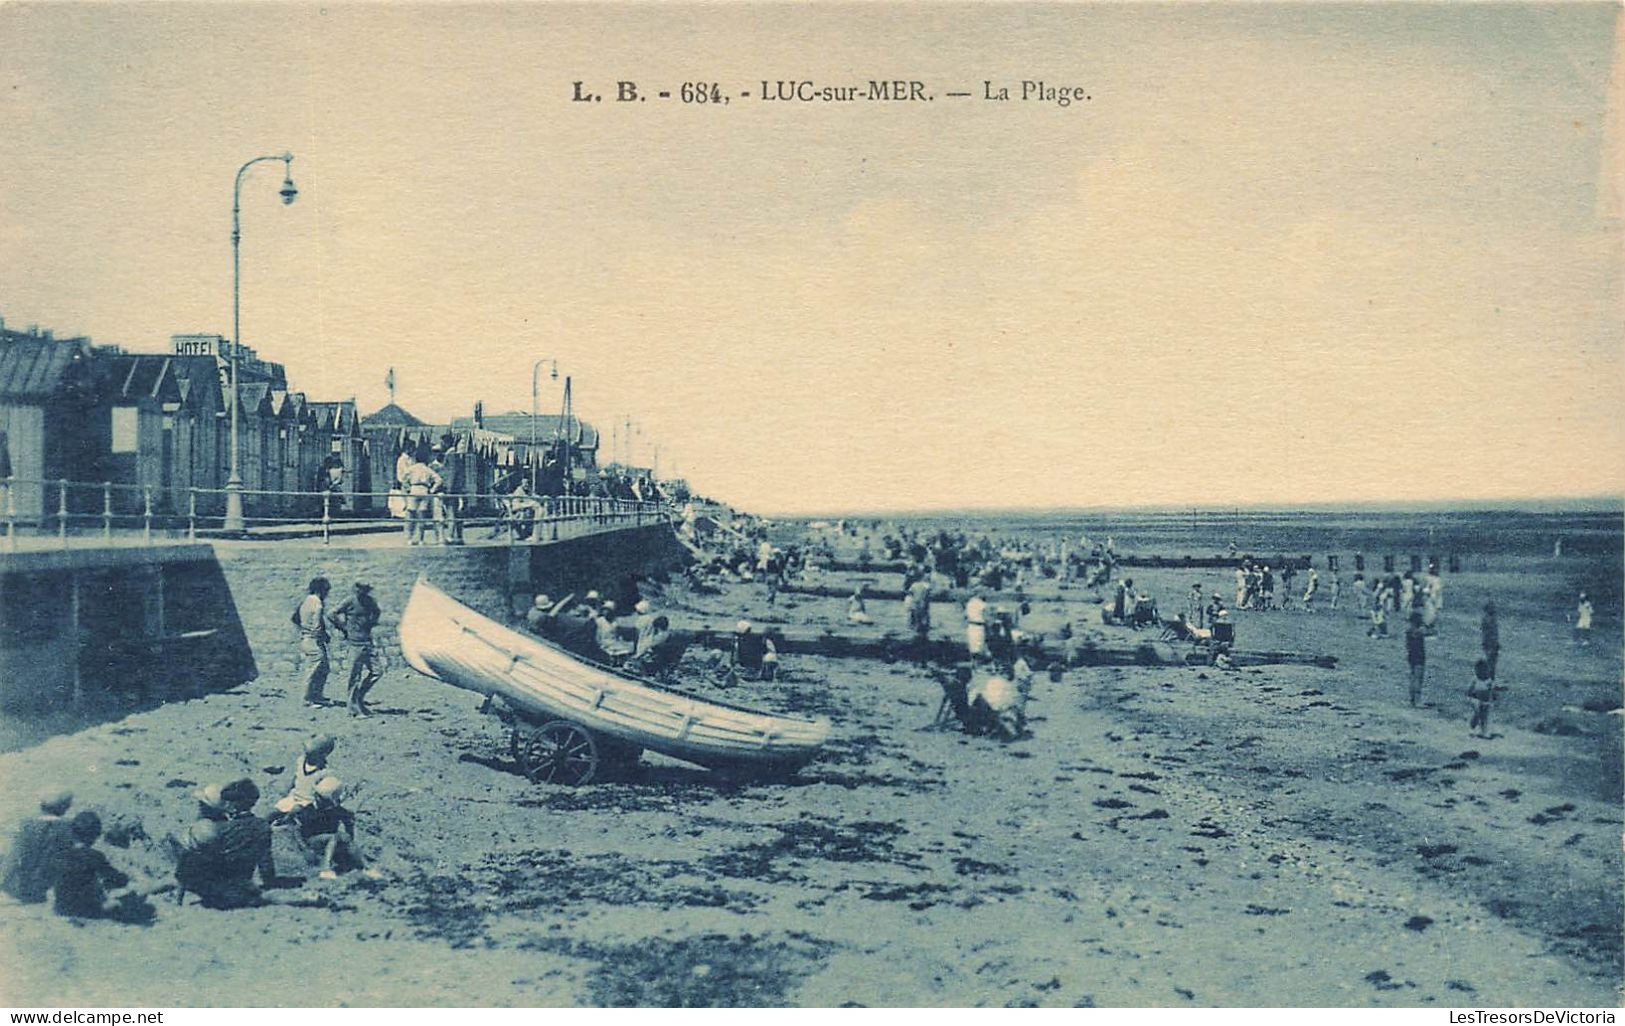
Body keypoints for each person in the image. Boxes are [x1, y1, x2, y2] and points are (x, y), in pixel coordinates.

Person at [185, 778, 281, 909]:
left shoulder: (216, 828)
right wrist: (270, 883)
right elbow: (265, 864)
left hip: (210, 888)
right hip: (241, 888)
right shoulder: (262, 826)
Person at [293, 777, 376, 880]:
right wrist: (305, 848)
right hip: (313, 841)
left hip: (331, 842)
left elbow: (349, 828)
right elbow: (297, 830)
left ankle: (366, 867)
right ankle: (325, 869)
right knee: (333, 837)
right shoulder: (309, 810)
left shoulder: (336, 810)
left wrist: (349, 832)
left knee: (343, 836)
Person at [1, 790, 75, 903]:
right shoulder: (68, 827)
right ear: (64, 806)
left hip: (25, 885)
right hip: (51, 885)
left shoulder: (27, 825)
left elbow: (14, 856)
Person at [52, 812, 129, 919]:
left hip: (60, 907)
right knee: (127, 898)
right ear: (96, 836)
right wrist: (125, 876)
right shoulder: (94, 856)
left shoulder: (60, 853)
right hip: (86, 910)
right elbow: (118, 880)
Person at [330, 582, 382, 716]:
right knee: (354, 676)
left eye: (365, 589)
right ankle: (353, 708)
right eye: (359, 588)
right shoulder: (350, 600)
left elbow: (377, 612)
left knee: (377, 672)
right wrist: (344, 627)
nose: (361, 591)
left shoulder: (370, 601)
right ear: (356, 589)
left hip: (367, 642)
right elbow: (332, 613)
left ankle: (358, 698)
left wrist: (371, 623)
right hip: (354, 643)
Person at [273, 735, 337, 821]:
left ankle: (284, 821)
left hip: (308, 803)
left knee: (296, 810)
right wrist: (288, 790)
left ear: (322, 755)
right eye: (306, 752)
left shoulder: (324, 772)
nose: (307, 755)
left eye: (312, 753)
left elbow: (325, 792)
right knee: (274, 811)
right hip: (294, 796)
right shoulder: (301, 760)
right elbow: (296, 777)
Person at [293, 577, 332, 707]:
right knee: (313, 669)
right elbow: (317, 625)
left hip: (307, 638)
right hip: (313, 640)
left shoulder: (305, 601)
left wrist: (304, 628)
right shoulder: (317, 603)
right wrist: (323, 635)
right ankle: (307, 699)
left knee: (324, 668)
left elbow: (295, 618)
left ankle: (316, 695)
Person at [401, 456, 442, 545]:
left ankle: (410, 538)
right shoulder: (427, 469)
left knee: (411, 515)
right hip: (424, 490)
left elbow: (403, 479)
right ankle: (421, 539)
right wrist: (432, 489)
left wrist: (408, 488)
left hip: (414, 489)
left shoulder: (411, 468)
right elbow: (439, 480)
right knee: (422, 516)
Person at [1468, 658, 1500, 739]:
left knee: (1485, 716)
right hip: (1476, 700)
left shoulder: (1489, 680)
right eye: (1478, 670)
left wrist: (1494, 695)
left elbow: (1493, 691)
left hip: (1487, 702)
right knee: (1477, 713)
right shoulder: (1475, 680)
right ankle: (1472, 728)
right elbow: (1469, 691)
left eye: (1483, 670)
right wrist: (1471, 698)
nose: (1481, 672)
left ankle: (1484, 731)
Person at [1405, 612, 1426, 706]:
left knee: (1413, 677)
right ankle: (1417, 700)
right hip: (1419, 656)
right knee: (1418, 678)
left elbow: (1407, 645)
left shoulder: (1409, 631)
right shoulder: (1419, 632)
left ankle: (1412, 699)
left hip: (1411, 655)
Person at [1480, 601, 1500, 681]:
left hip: (1492, 643)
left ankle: (1491, 679)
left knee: (1492, 662)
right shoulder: (1488, 620)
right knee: (1491, 662)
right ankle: (1490, 679)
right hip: (1490, 644)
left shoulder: (1489, 619)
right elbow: (1489, 633)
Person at [964, 593, 989, 659]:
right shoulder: (982, 604)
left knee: (973, 646)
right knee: (979, 645)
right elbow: (986, 616)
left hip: (971, 626)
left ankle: (974, 662)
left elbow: (965, 616)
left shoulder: (969, 603)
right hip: (979, 626)